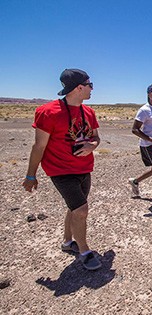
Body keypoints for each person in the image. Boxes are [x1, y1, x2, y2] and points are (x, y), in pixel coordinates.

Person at [22, 68, 102, 271]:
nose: (92, 88)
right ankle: (84, 252)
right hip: (60, 170)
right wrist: (31, 175)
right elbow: (38, 146)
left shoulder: (89, 112)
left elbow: (95, 137)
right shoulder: (48, 112)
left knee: (74, 207)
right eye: (90, 84)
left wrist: (92, 146)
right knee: (81, 210)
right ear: (79, 87)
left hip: (84, 168)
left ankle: (68, 242)